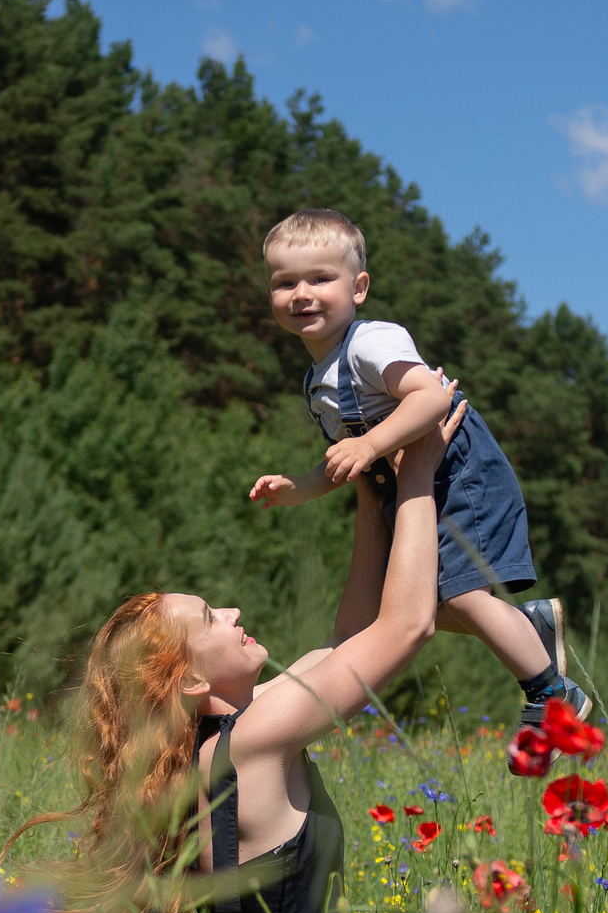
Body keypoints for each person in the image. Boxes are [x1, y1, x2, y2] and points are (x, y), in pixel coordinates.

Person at [19, 392, 465, 913]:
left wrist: (367, 492)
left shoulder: (217, 747)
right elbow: (408, 626)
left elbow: (348, 641)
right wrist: (417, 473)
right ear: (193, 681)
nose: (231, 611)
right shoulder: (252, 740)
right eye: (209, 619)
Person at [244, 207, 589, 745]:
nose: (301, 293)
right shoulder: (318, 376)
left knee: (458, 591)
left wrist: (372, 442)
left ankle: (552, 692)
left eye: (320, 278)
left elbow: (430, 397)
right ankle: (527, 626)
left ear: (358, 287)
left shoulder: (370, 342)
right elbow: (349, 459)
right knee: (412, 602)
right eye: (284, 282)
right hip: (407, 481)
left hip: (456, 472)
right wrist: (300, 489)